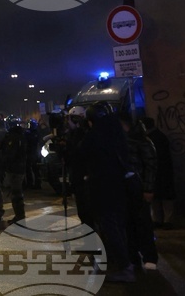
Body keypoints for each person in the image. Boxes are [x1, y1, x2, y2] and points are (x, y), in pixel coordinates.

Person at [83, 102, 135, 283]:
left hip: (103, 187)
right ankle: (126, 262)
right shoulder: (116, 132)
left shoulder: (96, 135)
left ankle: (124, 265)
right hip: (119, 187)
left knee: (109, 226)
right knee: (119, 225)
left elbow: (82, 156)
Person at [118, 111, 158, 271]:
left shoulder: (142, 141)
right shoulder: (121, 140)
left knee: (143, 224)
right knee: (128, 224)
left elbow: (151, 166)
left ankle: (149, 257)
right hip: (125, 188)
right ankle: (133, 257)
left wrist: (148, 188)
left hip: (139, 188)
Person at [142, 117, 175, 227]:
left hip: (155, 172)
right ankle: (167, 221)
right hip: (165, 171)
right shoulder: (161, 136)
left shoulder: (147, 139)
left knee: (155, 198)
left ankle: (157, 220)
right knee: (166, 198)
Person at [2, 117, 29, 224]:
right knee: (16, 193)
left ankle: (19, 216)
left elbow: (10, 154)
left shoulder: (13, 138)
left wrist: (5, 163)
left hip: (15, 169)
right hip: (19, 168)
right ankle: (19, 215)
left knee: (16, 194)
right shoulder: (21, 136)